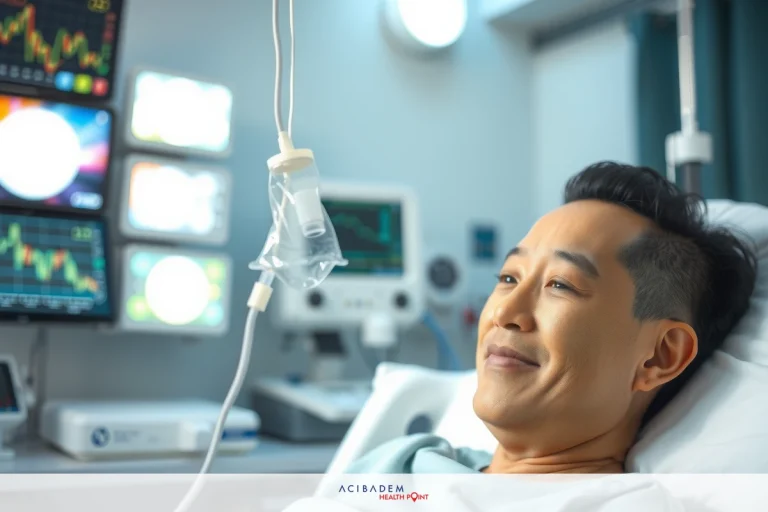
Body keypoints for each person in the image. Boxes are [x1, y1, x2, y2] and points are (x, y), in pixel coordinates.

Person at [344, 161, 758, 475]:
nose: (505, 312)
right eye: (508, 278)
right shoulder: (405, 466)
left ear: (658, 357)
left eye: (560, 284)